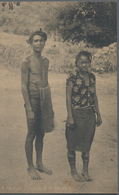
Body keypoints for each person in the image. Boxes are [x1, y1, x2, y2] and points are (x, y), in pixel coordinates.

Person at [21, 29, 54, 180]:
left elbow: (45, 83)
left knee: (41, 132)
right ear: (30, 42)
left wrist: (48, 106)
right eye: (35, 40)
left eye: (41, 40)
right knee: (32, 133)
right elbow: (23, 86)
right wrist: (28, 108)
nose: (38, 43)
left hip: (44, 100)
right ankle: (30, 166)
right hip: (32, 101)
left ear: (44, 43)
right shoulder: (26, 61)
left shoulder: (45, 61)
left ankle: (39, 163)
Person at [66, 50, 102, 182]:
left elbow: (94, 96)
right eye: (81, 62)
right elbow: (68, 97)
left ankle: (85, 171)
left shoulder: (92, 77)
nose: (83, 65)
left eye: (86, 62)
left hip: (89, 115)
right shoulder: (72, 77)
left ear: (89, 63)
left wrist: (98, 113)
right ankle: (73, 171)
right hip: (76, 114)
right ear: (76, 63)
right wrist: (70, 116)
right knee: (72, 143)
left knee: (86, 144)